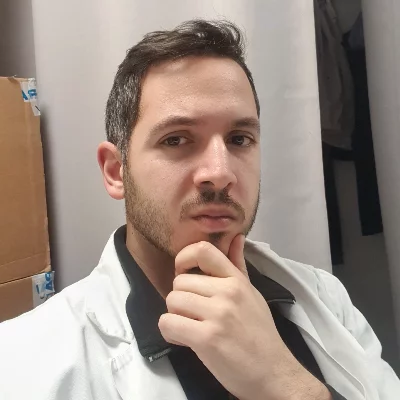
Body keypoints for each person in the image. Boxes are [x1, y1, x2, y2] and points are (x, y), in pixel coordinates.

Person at [0, 19, 398, 400]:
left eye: (239, 139)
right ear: (116, 171)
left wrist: (287, 385)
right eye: (176, 140)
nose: (220, 173)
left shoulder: (326, 298)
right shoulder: (22, 364)